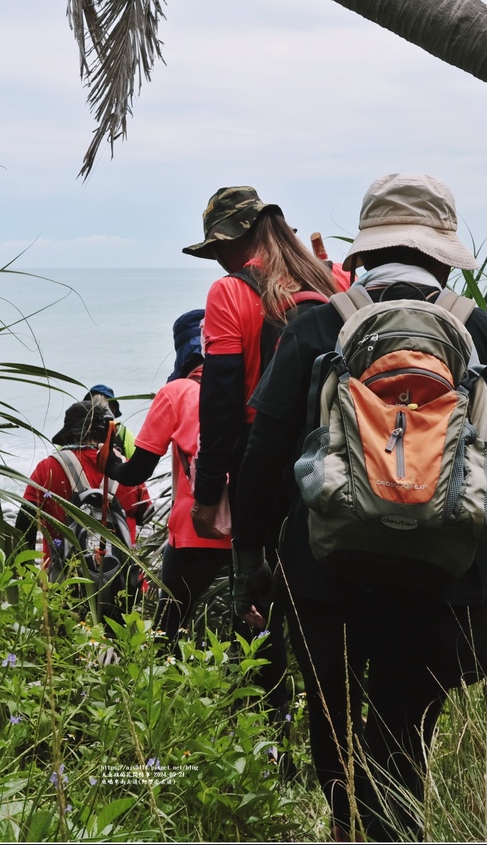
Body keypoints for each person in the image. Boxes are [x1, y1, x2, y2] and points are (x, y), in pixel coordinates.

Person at [232, 173, 487, 841]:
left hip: (325, 570)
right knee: (402, 727)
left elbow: (261, 456)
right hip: (443, 572)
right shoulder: (479, 332)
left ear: (364, 251)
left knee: (332, 715)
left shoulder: (315, 327)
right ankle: (394, 826)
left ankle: (344, 823)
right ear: (441, 254)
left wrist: (255, 560)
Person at [183, 186, 337, 716]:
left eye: (217, 248)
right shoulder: (330, 280)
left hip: (264, 465)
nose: (218, 261)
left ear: (237, 239)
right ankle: (329, 727)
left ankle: (266, 732)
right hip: (333, 462)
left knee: (255, 600)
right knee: (321, 599)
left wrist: (207, 493)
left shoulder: (230, 293)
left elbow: (221, 401)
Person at [104, 309, 232, 645]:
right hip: (251, 530)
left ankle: (163, 690)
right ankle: (263, 697)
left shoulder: (177, 392)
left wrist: (111, 465)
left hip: (194, 530)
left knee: (168, 625)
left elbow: (136, 473)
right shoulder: (249, 383)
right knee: (259, 628)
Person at [16, 400, 151, 566]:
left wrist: (25, 579)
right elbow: (144, 517)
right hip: (124, 585)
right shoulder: (128, 471)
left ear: (68, 434)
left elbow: (24, 526)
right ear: (106, 433)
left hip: (62, 585)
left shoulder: (48, 469)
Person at [83, 384, 137, 458]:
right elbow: (139, 464)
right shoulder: (122, 432)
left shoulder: (74, 431)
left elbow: (62, 457)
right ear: (114, 410)